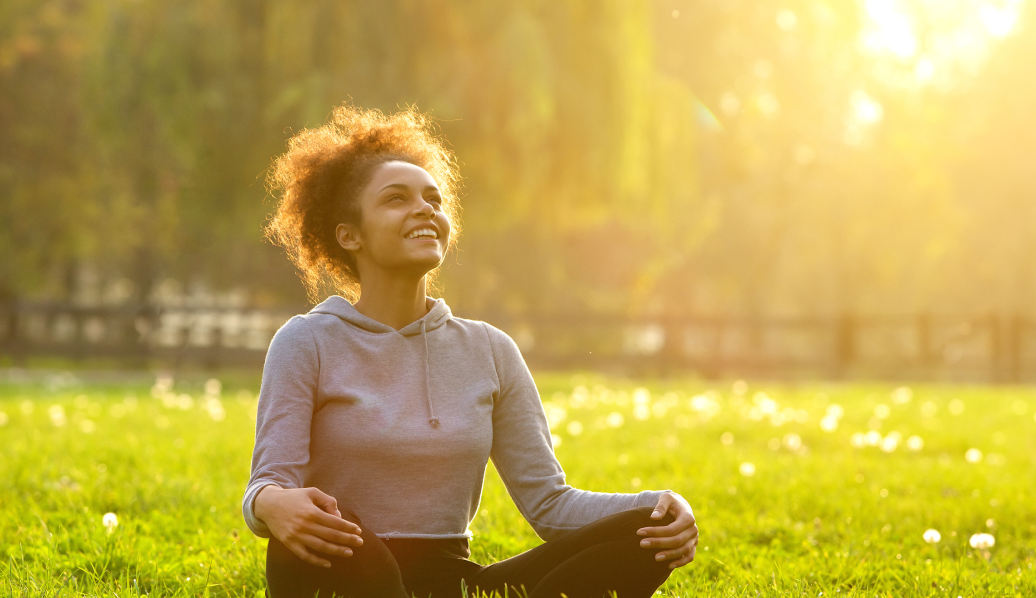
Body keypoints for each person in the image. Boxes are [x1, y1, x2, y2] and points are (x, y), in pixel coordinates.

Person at [243, 105, 698, 598]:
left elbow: (549, 503)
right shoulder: (306, 340)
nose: (424, 209)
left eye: (433, 199)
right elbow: (269, 483)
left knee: (646, 536)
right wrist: (269, 504)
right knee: (340, 534)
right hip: (342, 565)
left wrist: (663, 505)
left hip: (447, 581)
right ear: (349, 234)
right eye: (396, 199)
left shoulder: (489, 350)